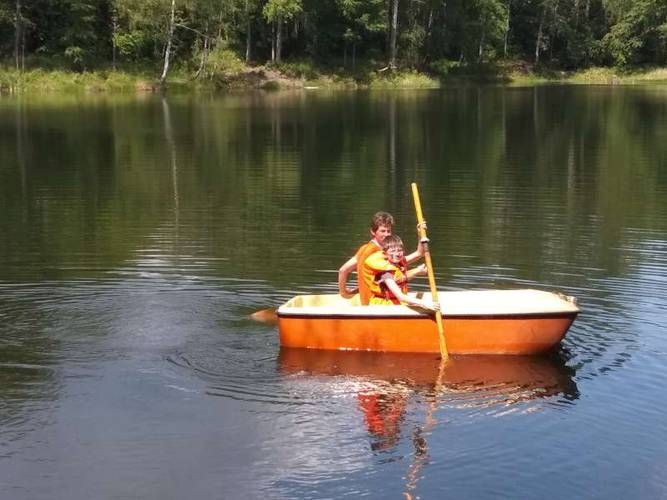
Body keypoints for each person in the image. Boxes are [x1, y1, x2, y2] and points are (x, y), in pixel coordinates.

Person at [338, 211, 427, 304]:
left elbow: (419, 253)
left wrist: (420, 234)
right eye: (383, 231)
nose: (387, 234)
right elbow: (394, 279)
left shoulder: (370, 249)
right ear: (373, 231)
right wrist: (416, 271)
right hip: (375, 303)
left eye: (389, 231)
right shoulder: (373, 253)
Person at [364, 235, 438, 311]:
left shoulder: (399, 262)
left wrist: (420, 237)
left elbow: (419, 253)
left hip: (396, 303)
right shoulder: (385, 273)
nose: (397, 254)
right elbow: (400, 296)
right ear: (385, 254)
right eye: (392, 251)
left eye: (399, 250)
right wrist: (424, 303)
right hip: (384, 306)